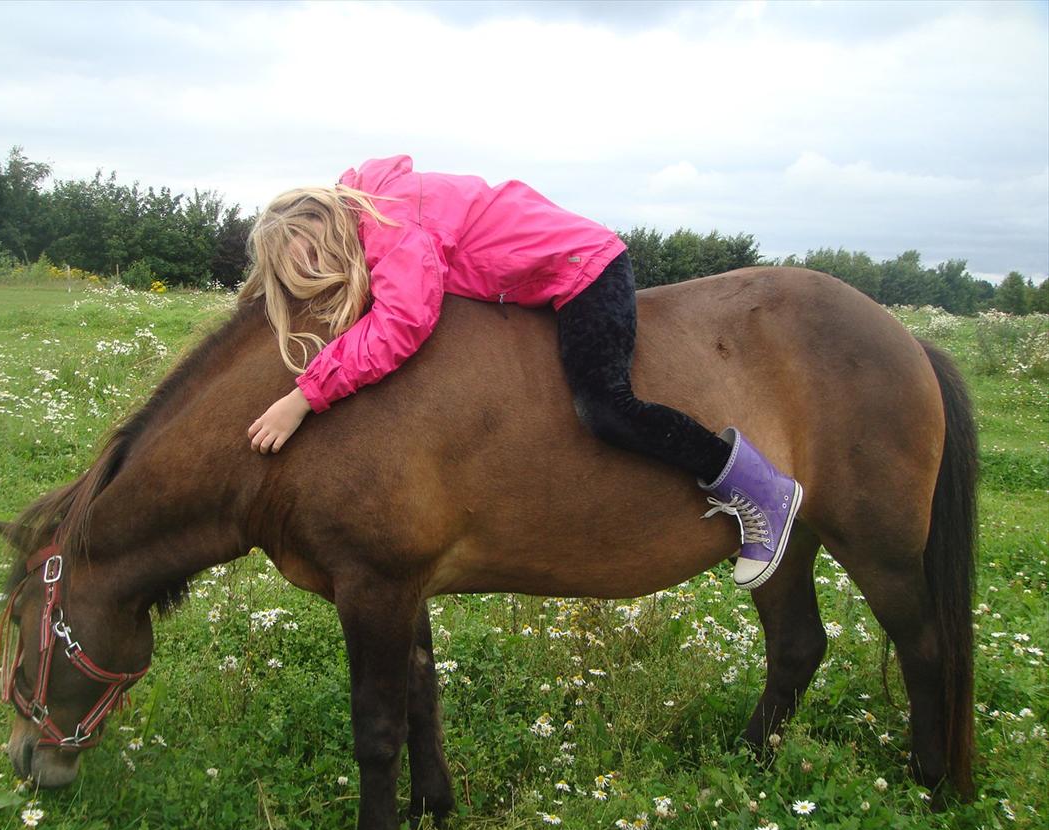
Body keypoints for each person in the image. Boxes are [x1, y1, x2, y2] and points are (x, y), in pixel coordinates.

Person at [239, 156, 802, 589]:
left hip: (587, 271)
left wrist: (304, 397)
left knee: (605, 407)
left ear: (325, 224)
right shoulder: (383, 208)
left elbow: (401, 323)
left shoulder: (394, 226)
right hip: (540, 283)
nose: (318, 272)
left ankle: (759, 488)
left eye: (313, 257)